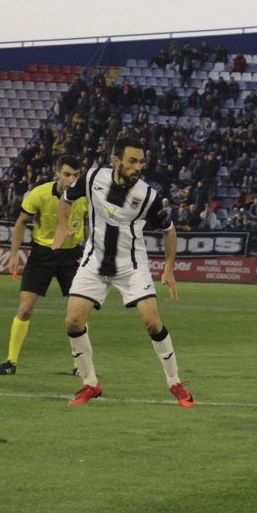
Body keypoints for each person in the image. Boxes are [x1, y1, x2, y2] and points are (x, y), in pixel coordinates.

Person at [51, 136, 193, 407]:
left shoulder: (148, 196)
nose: (137, 166)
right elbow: (65, 199)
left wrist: (169, 269)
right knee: (73, 321)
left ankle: (174, 381)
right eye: (132, 161)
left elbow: (169, 230)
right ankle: (90, 384)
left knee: (152, 322)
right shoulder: (92, 178)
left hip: (131, 267)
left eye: (140, 161)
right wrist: (61, 226)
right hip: (94, 263)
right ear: (116, 161)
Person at [0, 156, 90, 376]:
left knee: (78, 315)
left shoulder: (85, 197)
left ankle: (81, 366)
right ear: (57, 174)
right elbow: (21, 222)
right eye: (67, 175)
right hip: (42, 254)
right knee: (25, 309)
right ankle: (11, 362)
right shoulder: (39, 194)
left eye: (76, 175)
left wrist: (87, 252)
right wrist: (14, 255)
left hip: (71, 256)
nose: (72, 180)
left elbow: (91, 224)